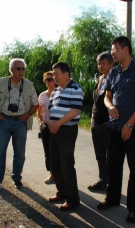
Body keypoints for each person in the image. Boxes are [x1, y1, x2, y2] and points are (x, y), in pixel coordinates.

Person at [97, 36, 135, 225]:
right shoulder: (114, 72)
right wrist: (110, 106)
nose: (112, 53)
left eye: (114, 49)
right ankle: (112, 199)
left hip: (134, 128)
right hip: (113, 127)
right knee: (113, 165)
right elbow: (106, 96)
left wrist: (129, 124)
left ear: (125, 50)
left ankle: (134, 209)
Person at [0, 58, 38, 191]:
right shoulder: (2, 82)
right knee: (0, 152)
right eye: (18, 68)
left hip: (21, 122)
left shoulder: (28, 85)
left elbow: (36, 103)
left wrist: (28, 115)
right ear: (11, 70)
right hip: (4, 120)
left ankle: (17, 178)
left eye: (23, 69)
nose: (21, 71)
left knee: (20, 153)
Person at [46, 62, 84, 211]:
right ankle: (61, 192)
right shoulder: (55, 91)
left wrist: (57, 124)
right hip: (53, 130)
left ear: (66, 73)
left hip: (67, 131)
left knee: (66, 164)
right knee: (54, 163)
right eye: (53, 74)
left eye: (56, 74)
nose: (54, 77)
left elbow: (75, 111)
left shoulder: (75, 88)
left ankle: (73, 199)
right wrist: (49, 122)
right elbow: (49, 109)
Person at [88, 51, 114, 191]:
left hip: (109, 124)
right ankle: (102, 179)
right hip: (96, 123)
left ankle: (111, 183)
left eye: (103, 63)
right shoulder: (100, 79)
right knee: (99, 154)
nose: (100, 66)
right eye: (99, 63)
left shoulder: (116, 79)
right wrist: (92, 116)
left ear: (112, 63)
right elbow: (96, 100)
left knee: (110, 156)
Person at [37, 71, 56, 184]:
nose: (49, 82)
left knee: (57, 152)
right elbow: (39, 112)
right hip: (45, 127)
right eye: (46, 80)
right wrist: (40, 122)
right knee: (48, 152)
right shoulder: (42, 95)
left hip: (57, 126)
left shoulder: (60, 93)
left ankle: (60, 174)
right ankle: (52, 174)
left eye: (51, 79)